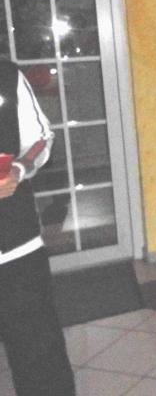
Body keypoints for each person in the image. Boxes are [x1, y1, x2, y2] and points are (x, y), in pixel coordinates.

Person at [0, 60, 76, 396]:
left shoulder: (6, 75)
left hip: (16, 244)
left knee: (40, 357)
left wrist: (18, 169)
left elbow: (41, 137)